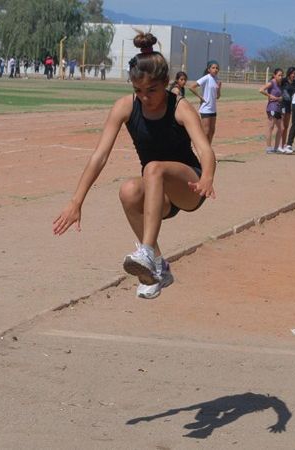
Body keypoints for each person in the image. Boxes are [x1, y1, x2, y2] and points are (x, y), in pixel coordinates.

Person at [53, 32, 217, 300]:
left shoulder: (180, 107)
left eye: (152, 90)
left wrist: (207, 176)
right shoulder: (125, 107)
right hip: (157, 192)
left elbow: (205, 149)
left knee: (153, 168)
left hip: (188, 185)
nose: (144, 97)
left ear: (165, 83)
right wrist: (76, 201)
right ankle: (159, 268)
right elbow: (99, 156)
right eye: (138, 91)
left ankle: (147, 253)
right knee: (128, 190)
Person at [189, 60, 222, 144]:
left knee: (212, 131)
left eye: (217, 68)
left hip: (213, 109)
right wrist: (200, 97)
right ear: (209, 69)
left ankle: (208, 148)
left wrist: (219, 88)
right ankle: (203, 149)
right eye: (213, 68)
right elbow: (192, 87)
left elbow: (217, 97)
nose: (215, 69)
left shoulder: (217, 80)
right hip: (205, 108)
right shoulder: (206, 78)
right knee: (205, 132)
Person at [259, 68, 285, 154]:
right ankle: (269, 148)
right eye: (279, 75)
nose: (281, 77)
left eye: (282, 75)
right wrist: (270, 95)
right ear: (274, 75)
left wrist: (281, 98)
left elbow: (280, 95)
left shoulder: (280, 84)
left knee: (281, 128)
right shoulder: (272, 82)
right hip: (272, 107)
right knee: (271, 127)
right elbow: (261, 90)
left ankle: (276, 148)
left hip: (278, 107)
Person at [280, 67, 295, 150]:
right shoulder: (283, 81)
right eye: (292, 73)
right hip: (282, 104)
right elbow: (274, 84)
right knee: (282, 127)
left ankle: (284, 145)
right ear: (289, 73)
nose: (293, 75)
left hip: (289, 105)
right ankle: (279, 145)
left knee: (286, 126)